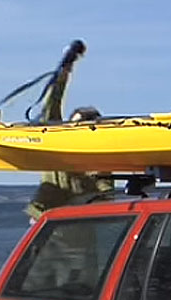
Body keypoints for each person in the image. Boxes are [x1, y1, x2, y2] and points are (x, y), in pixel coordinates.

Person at [25, 41, 113, 221]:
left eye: (88, 127)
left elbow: (106, 193)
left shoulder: (101, 160)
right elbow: (51, 106)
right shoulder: (57, 144)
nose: (81, 129)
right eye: (77, 125)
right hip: (46, 225)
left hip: (79, 230)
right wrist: (65, 69)